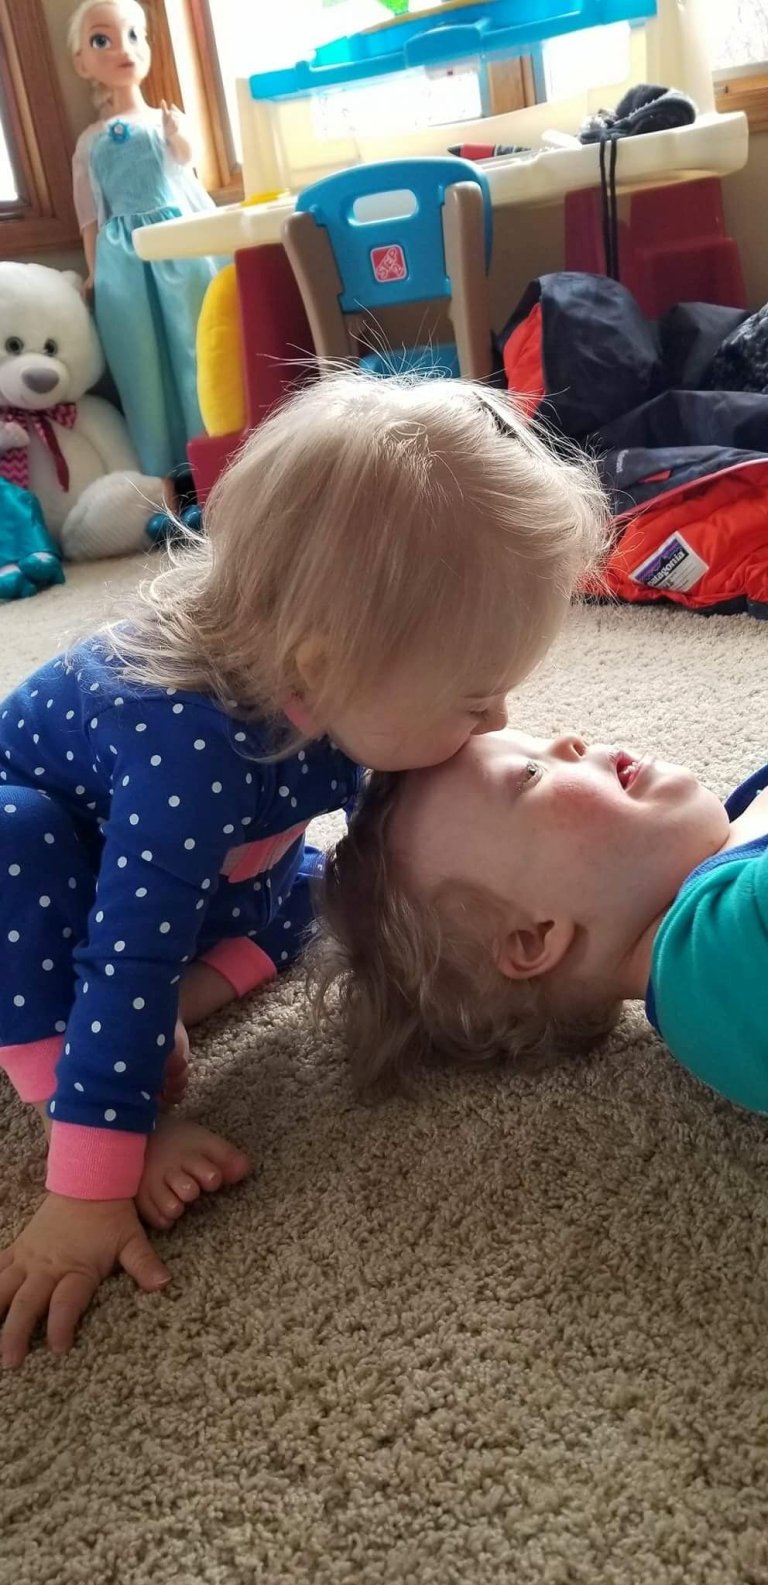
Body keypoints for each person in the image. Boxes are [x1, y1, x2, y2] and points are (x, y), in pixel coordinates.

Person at [0, 369, 609, 1366]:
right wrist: (89, 1188)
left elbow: (397, 855)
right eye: (477, 698)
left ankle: (181, 1006)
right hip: (45, 884)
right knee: (21, 857)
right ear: (325, 668)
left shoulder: (335, 683)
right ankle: (65, 1071)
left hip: (202, 860)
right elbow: (127, 953)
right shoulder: (186, 756)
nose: (498, 720)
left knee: (319, 887)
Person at [314, 724, 768, 1103]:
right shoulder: (724, 955)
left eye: (537, 742)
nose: (569, 740)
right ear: (534, 938)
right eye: (530, 774)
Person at [68, 1, 221, 476]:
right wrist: (94, 271)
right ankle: (166, 477)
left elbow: (187, 167)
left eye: (135, 35)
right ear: (81, 62)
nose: (123, 48)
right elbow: (89, 214)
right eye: (102, 40)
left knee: (195, 350)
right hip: (123, 262)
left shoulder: (162, 120)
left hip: (175, 244)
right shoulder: (89, 141)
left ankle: (212, 459)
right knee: (140, 365)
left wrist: (179, 136)